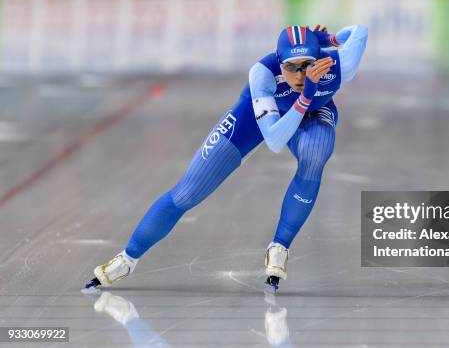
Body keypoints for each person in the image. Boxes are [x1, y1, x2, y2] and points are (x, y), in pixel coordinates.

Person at [85, 24, 368, 292]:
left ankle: (280, 246)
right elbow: (274, 140)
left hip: (311, 115)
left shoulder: (339, 65)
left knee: (316, 151)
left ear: (319, 59)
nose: (300, 75)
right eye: (291, 67)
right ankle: (127, 258)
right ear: (279, 64)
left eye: (308, 65)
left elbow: (359, 32)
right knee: (187, 193)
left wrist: (328, 41)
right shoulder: (263, 74)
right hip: (258, 119)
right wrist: (306, 94)